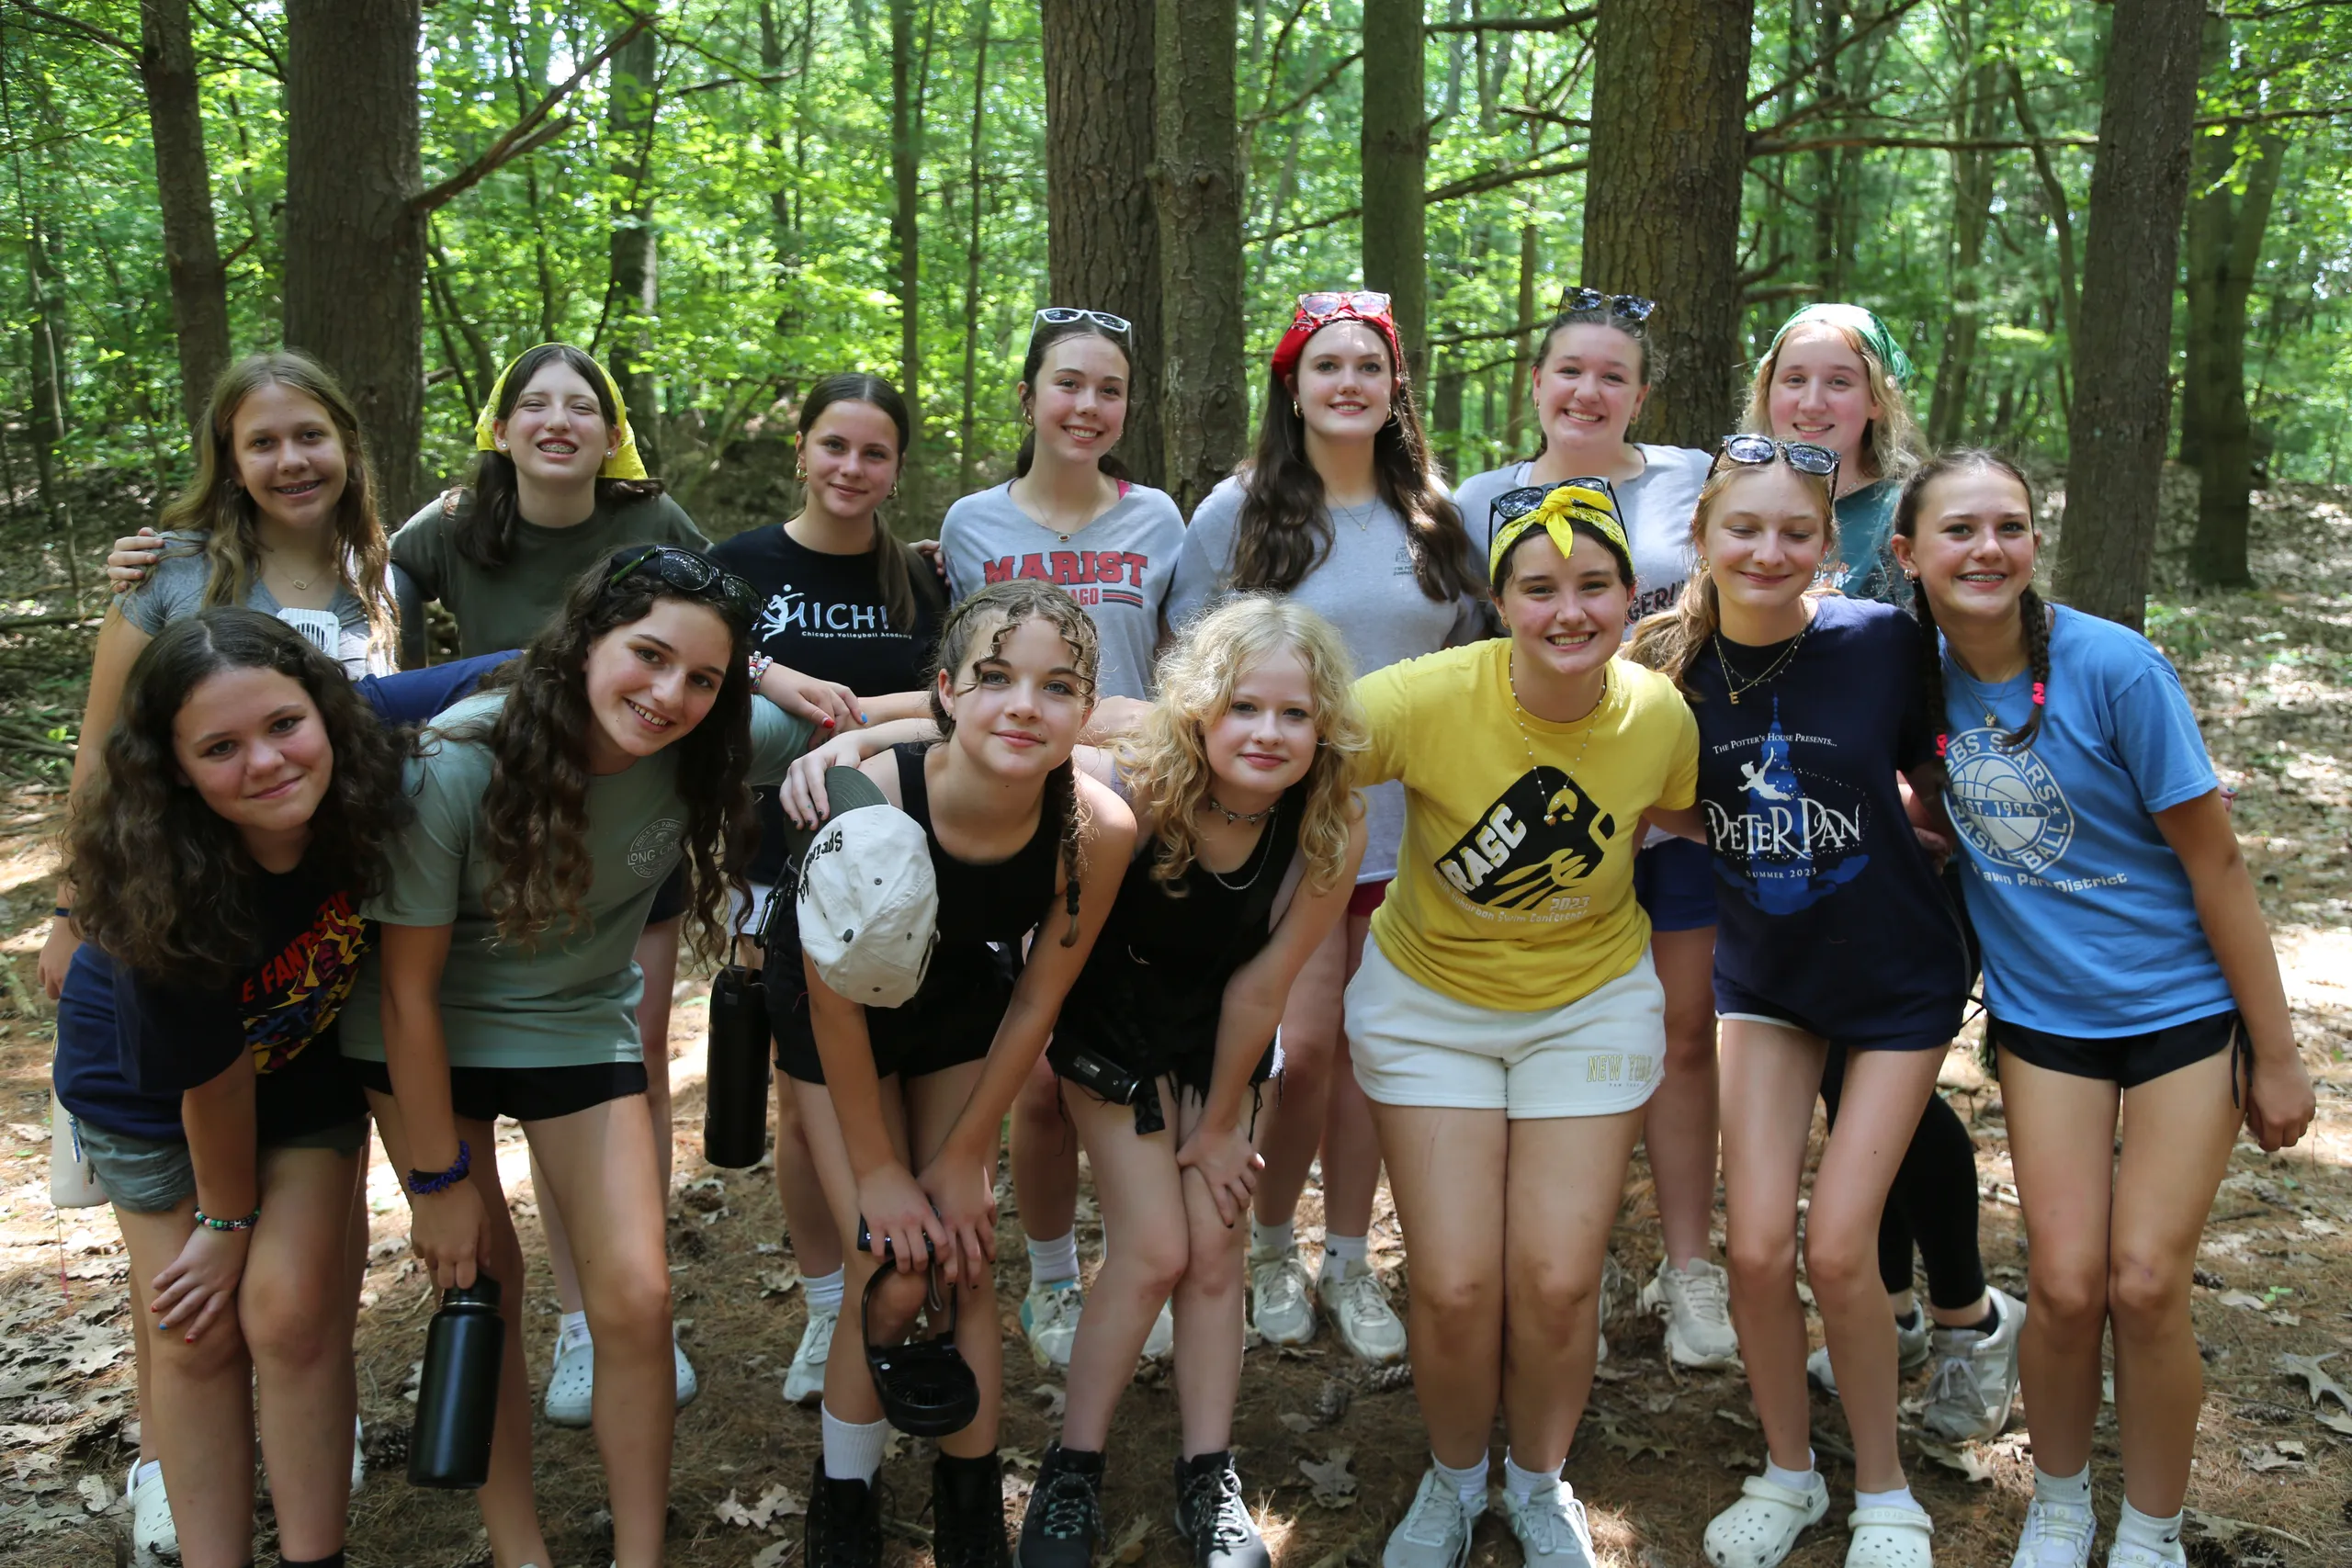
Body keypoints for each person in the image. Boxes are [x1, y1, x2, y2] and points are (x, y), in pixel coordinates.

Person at [111, 344, 857, 1424]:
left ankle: (593, 1322)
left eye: (582, 407)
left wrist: (764, 674)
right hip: (411, 844)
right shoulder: (427, 537)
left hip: (603, 811)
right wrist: (82, 899)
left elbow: (712, 629)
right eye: (533, 405)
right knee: (254, 1141)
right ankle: (178, 1441)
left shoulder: (431, 555)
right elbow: (136, 748)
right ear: (498, 428)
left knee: (618, 1055)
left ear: (614, 432)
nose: (558, 423)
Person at [343, 546, 820, 1568]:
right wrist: (435, 1183)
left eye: (702, 677)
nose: (668, 696)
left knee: (637, 1302)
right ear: (584, 642)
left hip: (572, 1025)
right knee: (487, 1292)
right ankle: (522, 1552)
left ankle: (639, 1553)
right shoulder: (460, 762)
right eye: (647, 657)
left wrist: (828, 743)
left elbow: (881, 716)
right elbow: (407, 992)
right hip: (428, 1037)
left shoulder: (710, 736)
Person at [1892, 452, 2314, 1568]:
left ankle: (2151, 1531)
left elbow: (2218, 868)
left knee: (2141, 1281)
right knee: (2067, 1285)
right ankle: (2063, 1505)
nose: (1988, 550)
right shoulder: (1908, 678)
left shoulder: (2112, 668)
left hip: (2179, 1012)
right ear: (1908, 554)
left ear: (2034, 543)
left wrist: (2276, 1056)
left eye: (2011, 527)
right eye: (1959, 531)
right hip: (2044, 1024)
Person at [54, 610, 504, 1568]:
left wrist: (757, 675)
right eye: (220, 748)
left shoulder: (359, 740)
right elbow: (209, 1091)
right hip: (151, 1100)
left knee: (294, 1313)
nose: (264, 761)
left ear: (325, 711)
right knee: (197, 1334)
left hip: (298, 1072)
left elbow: (535, 661)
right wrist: (225, 1227)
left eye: (283, 726)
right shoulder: (157, 883)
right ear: (175, 766)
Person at [43, 349, 398, 1560]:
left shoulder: (372, 581)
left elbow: (441, 686)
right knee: (196, 1321)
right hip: (160, 1064)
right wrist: (68, 907)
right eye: (265, 439)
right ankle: (195, 1515)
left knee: (294, 1313)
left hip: (296, 1026)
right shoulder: (173, 583)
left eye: (314, 434)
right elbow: (104, 758)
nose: (292, 458)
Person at [1629, 437, 1991, 1568]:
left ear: (1826, 546)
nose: (1769, 551)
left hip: (1895, 978)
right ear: (1701, 538)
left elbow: (1949, 768)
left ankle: (1884, 1492)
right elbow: (1668, 799)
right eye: (1743, 529)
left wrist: (1934, 828)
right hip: (1766, 979)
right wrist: (1736, 838)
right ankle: (1787, 1471)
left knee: (1839, 1250)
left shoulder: (1881, 639)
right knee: (1749, 1257)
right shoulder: (1662, 668)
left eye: (1795, 532)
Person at [1352, 481, 1696, 1568]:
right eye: (1537, 588)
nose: (1567, 611)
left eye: (1593, 586)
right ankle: (1456, 1482)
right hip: (1427, 1006)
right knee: (1454, 1285)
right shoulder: (1420, 697)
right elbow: (1269, 744)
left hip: (1587, 1004)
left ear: (1628, 593)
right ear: (1499, 600)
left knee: (1554, 1281)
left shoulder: (1657, 713)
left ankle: (1539, 1480)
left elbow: (1688, 815)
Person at [778, 579, 1134, 1568]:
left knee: (965, 1251)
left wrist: (969, 1151)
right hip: (832, 1002)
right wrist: (884, 1172)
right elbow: (833, 1001)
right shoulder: (877, 796)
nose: (1024, 705)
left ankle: (970, 1507)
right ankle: (843, 1501)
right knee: (885, 1256)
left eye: (1057, 687)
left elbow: (1037, 997)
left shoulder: (1095, 829)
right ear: (943, 692)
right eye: (993, 678)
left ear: (1085, 712)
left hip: (958, 997)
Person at [1167, 288, 1484, 1368]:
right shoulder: (1239, 510)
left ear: (1397, 386)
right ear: (1290, 386)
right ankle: (1270, 1245)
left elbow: (1480, 661)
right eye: (1326, 365)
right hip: (1285, 828)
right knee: (1300, 1053)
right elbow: (1190, 662)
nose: (1349, 383)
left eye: (1369, 366)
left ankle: (1348, 1258)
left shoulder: (1434, 511)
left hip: (1418, 830)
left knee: (1371, 1053)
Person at [1017, 596, 1368, 1568]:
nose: (1267, 733)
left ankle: (1207, 1472)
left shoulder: (1328, 815)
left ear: (1324, 725)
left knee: (1216, 1251)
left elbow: (1264, 983)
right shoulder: (1133, 778)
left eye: (1295, 715)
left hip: (1223, 1033)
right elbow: (992, 726)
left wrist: (1219, 1128)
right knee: (1155, 1248)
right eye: (1245, 707)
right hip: (1114, 1025)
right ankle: (1072, 1466)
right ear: (1202, 708)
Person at [1746, 303, 2017, 1434]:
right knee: (1834, 1087)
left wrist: (1933, 791)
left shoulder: (1911, 521)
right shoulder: (1748, 502)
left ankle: (1969, 1322)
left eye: (1838, 383)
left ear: (1876, 402)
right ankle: (1893, 1306)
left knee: (1880, 1092)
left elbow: (1980, 661)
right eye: (1792, 379)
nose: (1813, 402)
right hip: (1786, 860)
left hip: (1913, 852)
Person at [1453, 288, 1730, 1370]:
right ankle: (1560, 1249)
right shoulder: (1478, 499)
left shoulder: (1692, 480)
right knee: (1546, 1027)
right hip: (1541, 811)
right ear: (1536, 382)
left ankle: (1688, 1264)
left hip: (1673, 795)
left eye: (1613, 375)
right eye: (1570, 370)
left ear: (1641, 394)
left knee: (1683, 1032)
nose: (1588, 392)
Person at [938, 308, 1185, 1371]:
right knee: (1034, 1075)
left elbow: (1177, 672)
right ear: (1032, 395)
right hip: (1018, 822)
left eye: (1109, 390)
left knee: (1139, 1057)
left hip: (1138, 819)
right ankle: (1050, 1278)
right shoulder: (970, 525)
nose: (1088, 407)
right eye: (1068, 384)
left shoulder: (1161, 522)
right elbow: (968, 683)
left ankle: (1148, 1251)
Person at [708, 373, 944, 1407]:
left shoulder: (921, 581)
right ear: (801, 451)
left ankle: (905, 1280)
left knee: (893, 1091)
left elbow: (955, 703)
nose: (852, 469)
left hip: (903, 873)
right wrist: (763, 674)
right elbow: (676, 655)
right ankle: (823, 1305)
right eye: (834, 447)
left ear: (896, 469)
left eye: (874, 453)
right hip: (773, 862)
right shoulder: (739, 567)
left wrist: (857, 725)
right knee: (806, 1113)